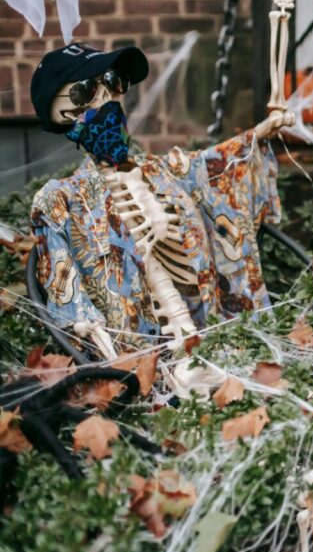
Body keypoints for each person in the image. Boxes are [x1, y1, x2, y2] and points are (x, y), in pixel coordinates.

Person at [28, 42, 294, 358]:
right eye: (86, 90)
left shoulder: (160, 170)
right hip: (138, 356)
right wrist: (104, 354)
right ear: (59, 114)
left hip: (212, 335)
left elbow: (214, 166)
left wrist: (259, 135)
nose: (108, 99)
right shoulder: (60, 199)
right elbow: (68, 296)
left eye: (114, 82)